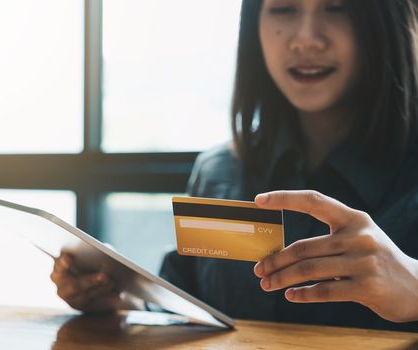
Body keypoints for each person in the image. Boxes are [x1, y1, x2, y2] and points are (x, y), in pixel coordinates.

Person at [50, 0, 418, 331]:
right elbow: (188, 310)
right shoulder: (221, 171)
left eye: (339, 7)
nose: (306, 39)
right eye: (284, 9)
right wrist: (116, 298)